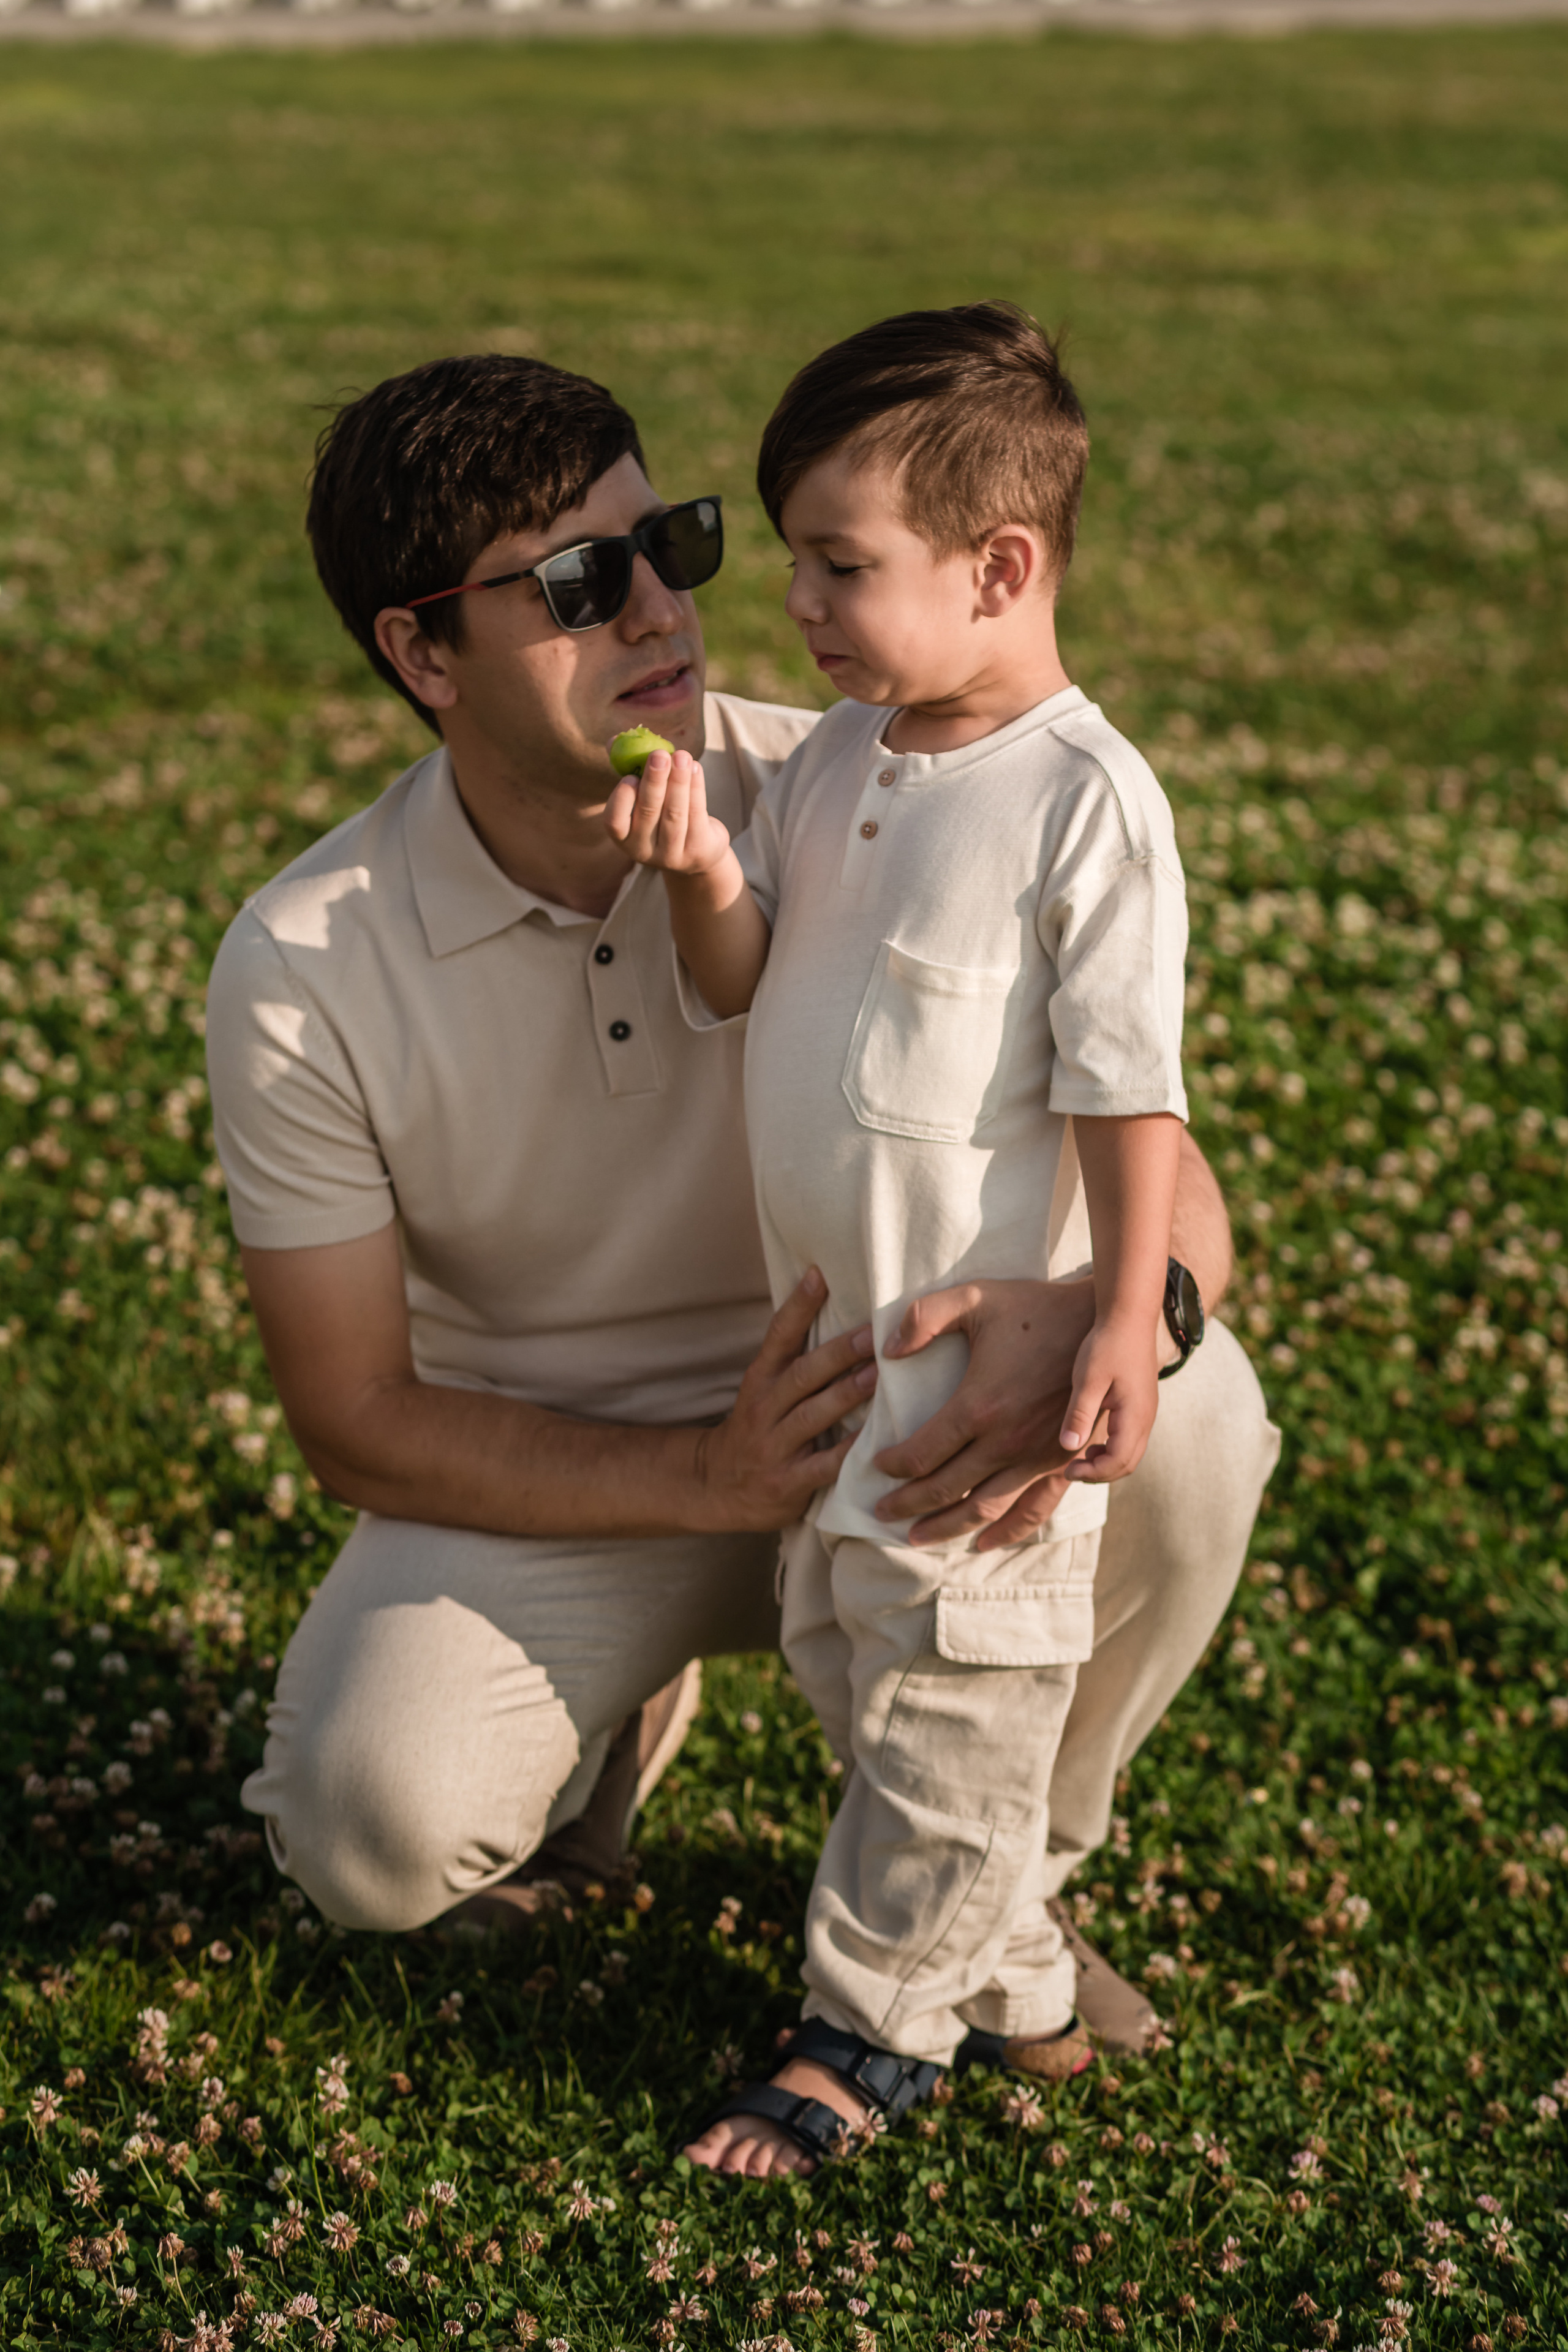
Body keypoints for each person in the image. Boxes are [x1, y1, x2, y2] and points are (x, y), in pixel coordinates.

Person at [204, 349, 1279, 2178]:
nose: (662, 610)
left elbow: (1174, 1182)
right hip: (585, 1474)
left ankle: (1009, 1878)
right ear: (421, 655)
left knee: (1198, 1426)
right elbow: (358, 1424)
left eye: (671, 543)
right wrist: (697, 1472)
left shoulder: (873, 775)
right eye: (572, 583)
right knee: (363, 1829)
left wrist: (1114, 1316)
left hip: (914, 1415)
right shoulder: (306, 960)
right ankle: (632, 1737)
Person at [608, 303, 1199, 2177]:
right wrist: (708, 873)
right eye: (794, 557)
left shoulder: (1081, 804)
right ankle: (1014, 1967)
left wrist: (1121, 1316)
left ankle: (868, 2037)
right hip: (836, 1353)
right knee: (861, 1677)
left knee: (947, 1719)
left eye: (840, 565)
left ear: (1001, 565)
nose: (794, 603)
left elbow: (1132, 1095)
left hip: (970, 1390)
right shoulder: (852, 756)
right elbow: (742, 984)